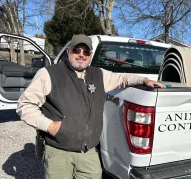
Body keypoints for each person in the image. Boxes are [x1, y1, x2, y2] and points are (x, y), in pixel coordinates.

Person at [16, 34, 165, 179]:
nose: (81, 54)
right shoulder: (49, 74)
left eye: (86, 51)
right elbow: (25, 106)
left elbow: (123, 78)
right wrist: (50, 126)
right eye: (76, 50)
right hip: (58, 150)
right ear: (68, 51)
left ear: (90, 54)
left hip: (89, 151)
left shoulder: (99, 74)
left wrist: (144, 80)